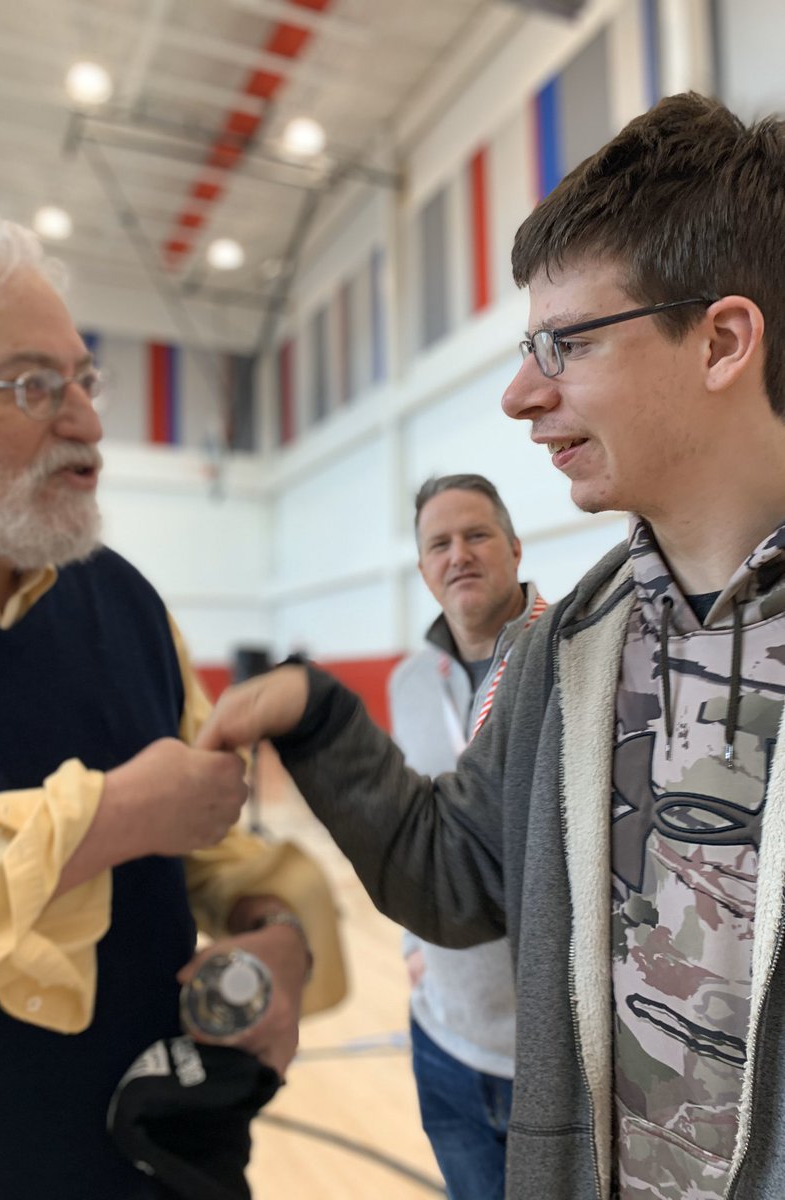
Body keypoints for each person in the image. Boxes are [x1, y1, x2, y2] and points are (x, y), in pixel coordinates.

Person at [198, 92, 785, 1200]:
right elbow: (461, 871)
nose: (522, 394)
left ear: (721, 340)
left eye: (564, 343)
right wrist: (321, 720)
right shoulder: (574, 650)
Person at [0, 210, 345, 1200]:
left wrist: (280, 932)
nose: (88, 422)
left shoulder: (128, 603)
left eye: (84, 380)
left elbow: (210, 843)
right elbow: (138, 812)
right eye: (30, 386)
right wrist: (99, 822)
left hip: (158, 1168)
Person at [388, 474, 546, 1200]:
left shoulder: (572, 659)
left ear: (514, 547)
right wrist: (414, 945)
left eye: (476, 535)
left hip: (555, 1057)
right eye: (438, 543)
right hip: (444, 1038)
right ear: (423, 569)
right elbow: (408, 827)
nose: (459, 555)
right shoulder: (408, 684)